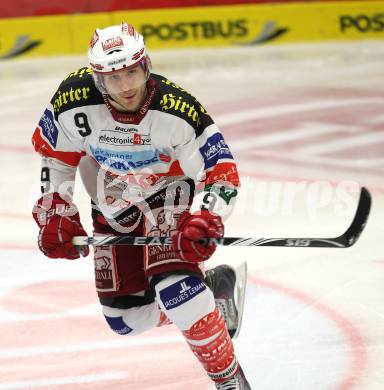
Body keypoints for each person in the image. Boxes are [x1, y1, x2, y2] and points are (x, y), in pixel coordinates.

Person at [32, 22, 251, 389]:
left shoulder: (178, 110)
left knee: (176, 287)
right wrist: (55, 210)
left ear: (146, 65)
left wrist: (208, 217)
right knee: (125, 319)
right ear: (98, 78)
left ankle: (229, 380)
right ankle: (210, 294)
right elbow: (57, 158)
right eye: (114, 78)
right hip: (111, 199)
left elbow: (221, 172)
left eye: (132, 72)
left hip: (169, 192)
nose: (127, 86)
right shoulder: (71, 101)